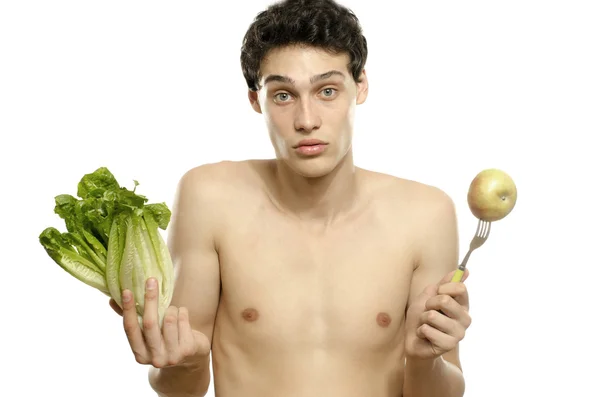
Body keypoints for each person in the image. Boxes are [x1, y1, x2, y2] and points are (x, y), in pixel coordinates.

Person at [109, 0, 472, 395]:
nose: (306, 120)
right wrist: (188, 361)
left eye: (327, 90)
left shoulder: (425, 214)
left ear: (361, 86)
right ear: (255, 100)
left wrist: (426, 359)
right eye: (283, 95)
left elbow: (439, 392)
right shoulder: (209, 197)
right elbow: (180, 388)